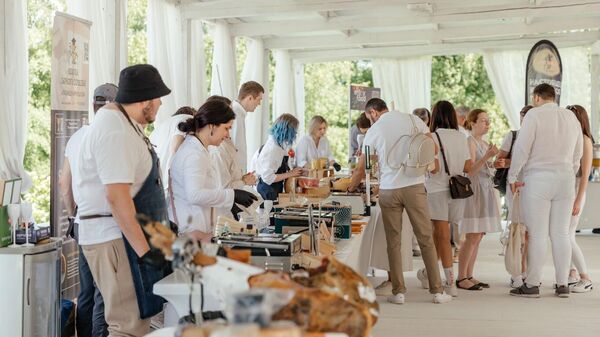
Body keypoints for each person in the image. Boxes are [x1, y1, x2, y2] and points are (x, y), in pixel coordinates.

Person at [75, 64, 173, 336]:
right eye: (158, 98)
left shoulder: (123, 123)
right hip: (113, 238)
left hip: (121, 237)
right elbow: (117, 199)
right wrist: (145, 252)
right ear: (145, 100)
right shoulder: (114, 130)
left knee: (135, 321)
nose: (161, 103)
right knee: (127, 324)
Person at [348, 98, 452, 305]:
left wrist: (350, 188)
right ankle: (438, 292)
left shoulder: (374, 131)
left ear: (373, 113)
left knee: (393, 242)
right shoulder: (413, 120)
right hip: (414, 185)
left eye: (369, 116)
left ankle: (398, 292)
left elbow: (363, 167)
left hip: (388, 190)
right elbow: (433, 149)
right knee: (425, 239)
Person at [508, 83, 583, 298]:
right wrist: (570, 171)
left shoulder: (534, 115)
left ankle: (532, 284)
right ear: (554, 96)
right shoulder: (571, 117)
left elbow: (522, 148)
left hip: (538, 178)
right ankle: (563, 284)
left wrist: (513, 176)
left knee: (538, 234)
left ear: (537, 97)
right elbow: (578, 152)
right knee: (560, 233)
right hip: (565, 179)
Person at [59, 83, 117, 337]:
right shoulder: (112, 136)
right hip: (105, 223)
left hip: (83, 221)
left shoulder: (77, 136)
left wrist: (73, 213)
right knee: (103, 290)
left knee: (85, 290)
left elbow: (64, 182)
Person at [168, 100, 258, 239]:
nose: (228, 135)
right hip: (190, 231)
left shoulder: (199, 149)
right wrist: (232, 195)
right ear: (212, 126)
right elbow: (195, 195)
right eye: (226, 128)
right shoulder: (194, 153)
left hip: (198, 229)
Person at [420, 101, 471, 297]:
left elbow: (429, 166)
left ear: (434, 117)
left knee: (440, 237)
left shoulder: (430, 137)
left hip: (436, 190)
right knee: (441, 237)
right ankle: (427, 273)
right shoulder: (461, 137)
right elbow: (467, 166)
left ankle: (449, 282)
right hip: (458, 191)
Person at [457, 108, 501, 291]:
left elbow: (483, 168)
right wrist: (487, 157)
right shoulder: (470, 142)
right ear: (472, 123)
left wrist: (494, 163)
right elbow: (470, 170)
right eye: (483, 120)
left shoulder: (481, 142)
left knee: (478, 236)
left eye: (488, 121)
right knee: (472, 235)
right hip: (475, 192)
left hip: (484, 190)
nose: (487, 124)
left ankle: (469, 274)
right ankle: (461, 277)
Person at [494, 105, 532, 288]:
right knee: (518, 231)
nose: (524, 119)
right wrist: (512, 162)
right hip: (515, 188)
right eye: (522, 115)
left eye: (527, 115)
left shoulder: (541, 137)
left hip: (535, 187)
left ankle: (527, 271)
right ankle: (517, 271)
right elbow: (499, 162)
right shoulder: (514, 136)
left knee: (532, 234)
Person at [565, 104, 594, 293]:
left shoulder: (584, 140)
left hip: (576, 192)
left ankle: (585, 277)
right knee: (566, 235)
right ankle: (572, 273)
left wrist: (578, 199)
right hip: (567, 191)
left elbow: (585, 175)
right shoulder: (572, 139)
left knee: (566, 235)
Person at [255, 113, 303, 201]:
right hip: (267, 193)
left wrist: (293, 171)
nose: (295, 134)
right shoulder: (273, 149)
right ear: (288, 131)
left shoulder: (278, 145)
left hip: (274, 190)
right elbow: (268, 178)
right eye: (294, 131)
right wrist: (290, 174)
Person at [149, 106, 196, 193]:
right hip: (171, 184)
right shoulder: (186, 119)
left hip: (156, 184)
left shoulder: (159, 129)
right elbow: (174, 149)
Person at [231, 81, 265, 172]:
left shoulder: (239, 114)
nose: (259, 104)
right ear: (250, 98)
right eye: (259, 99)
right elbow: (234, 147)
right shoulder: (234, 114)